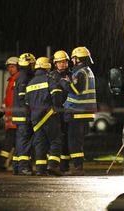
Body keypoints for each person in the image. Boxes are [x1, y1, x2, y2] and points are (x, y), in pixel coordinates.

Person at [61, 46, 97, 176]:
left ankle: (78, 168)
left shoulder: (80, 72)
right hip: (84, 112)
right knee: (78, 141)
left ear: (78, 59)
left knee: (74, 141)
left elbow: (76, 90)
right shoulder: (88, 71)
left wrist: (64, 83)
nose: (72, 61)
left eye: (73, 58)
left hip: (77, 112)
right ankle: (78, 166)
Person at [25, 57, 63, 176]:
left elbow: (27, 102)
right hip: (49, 115)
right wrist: (57, 107)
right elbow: (56, 94)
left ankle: (40, 170)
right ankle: (53, 165)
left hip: (36, 119)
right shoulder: (49, 79)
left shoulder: (30, 83)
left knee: (40, 144)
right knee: (56, 140)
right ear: (47, 67)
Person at [0, 56, 20, 172]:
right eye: (9, 67)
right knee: (13, 143)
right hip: (11, 120)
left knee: (10, 142)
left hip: (16, 119)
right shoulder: (11, 80)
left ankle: (3, 163)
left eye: (12, 67)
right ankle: (10, 164)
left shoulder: (18, 80)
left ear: (18, 67)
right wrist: (1, 111)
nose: (10, 69)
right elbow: (7, 100)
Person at [12, 53, 36, 175]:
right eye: (32, 64)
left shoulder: (21, 76)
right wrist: (29, 112)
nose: (34, 66)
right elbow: (23, 99)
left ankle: (16, 167)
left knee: (20, 141)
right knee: (24, 142)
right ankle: (23, 167)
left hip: (19, 115)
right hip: (23, 116)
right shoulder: (24, 77)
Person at [49, 50, 72, 174]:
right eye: (60, 62)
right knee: (56, 138)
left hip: (67, 111)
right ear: (55, 64)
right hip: (55, 112)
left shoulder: (72, 75)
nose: (62, 64)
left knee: (66, 138)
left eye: (64, 62)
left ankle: (64, 165)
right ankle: (54, 165)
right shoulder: (52, 76)